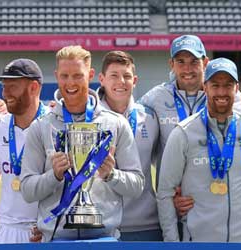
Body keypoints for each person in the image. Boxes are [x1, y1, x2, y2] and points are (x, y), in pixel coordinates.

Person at [20, 45, 144, 242]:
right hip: (56, 239)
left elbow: (137, 185)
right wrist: (54, 176)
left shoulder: (116, 123)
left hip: (104, 238)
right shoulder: (41, 127)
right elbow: (27, 189)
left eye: (78, 75)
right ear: (56, 76)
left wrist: (112, 175)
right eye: (65, 75)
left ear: (91, 74)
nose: (70, 83)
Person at [157, 58, 241, 242]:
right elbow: (165, 193)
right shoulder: (184, 132)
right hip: (199, 242)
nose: (221, 92)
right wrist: (172, 243)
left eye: (227, 85)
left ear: (237, 88)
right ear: (205, 87)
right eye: (215, 85)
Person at [138, 34, 210, 216]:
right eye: (181, 61)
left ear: (205, 62)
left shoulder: (221, 96)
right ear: (171, 64)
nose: (187, 68)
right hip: (171, 206)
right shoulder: (155, 98)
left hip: (214, 202)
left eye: (194, 61)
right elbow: (123, 113)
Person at [97, 51, 161, 241]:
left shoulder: (149, 117)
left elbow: (163, 165)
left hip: (146, 224)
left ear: (135, 81)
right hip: (101, 225)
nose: (121, 82)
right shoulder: (89, 119)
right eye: (114, 76)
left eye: (126, 76)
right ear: (102, 79)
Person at [0, 58, 47, 243]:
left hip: (41, 231)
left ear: (34, 88)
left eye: (12, 86)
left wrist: (50, 224)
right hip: (6, 230)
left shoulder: (53, 125)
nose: (6, 93)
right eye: (4, 86)